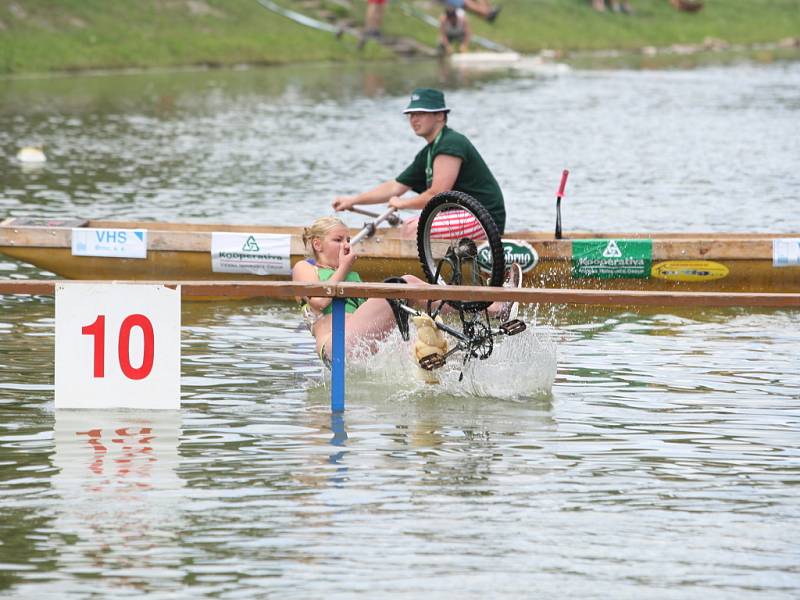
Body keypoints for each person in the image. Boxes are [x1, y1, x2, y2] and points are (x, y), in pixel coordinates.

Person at [332, 88, 506, 238]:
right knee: (409, 227)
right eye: (411, 114)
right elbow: (395, 187)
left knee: (413, 228)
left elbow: (438, 194)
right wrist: (352, 200)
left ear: (439, 115)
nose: (414, 119)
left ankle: (415, 275)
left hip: (484, 219)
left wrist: (403, 203)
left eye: (421, 113)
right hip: (463, 216)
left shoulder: (451, 143)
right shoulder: (429, 152)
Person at [294, 216, 429, 364]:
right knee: (404, 283)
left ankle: (450, 315)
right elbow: (319, 301)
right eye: (338, 240)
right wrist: (344, 267)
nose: (346, 246)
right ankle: (454, 305)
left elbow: (370, 315)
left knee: (421, 343)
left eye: (348, 240)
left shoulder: (353, 276)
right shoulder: (305, 267)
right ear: (318, 245)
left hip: (364, 344)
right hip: (334, 346)